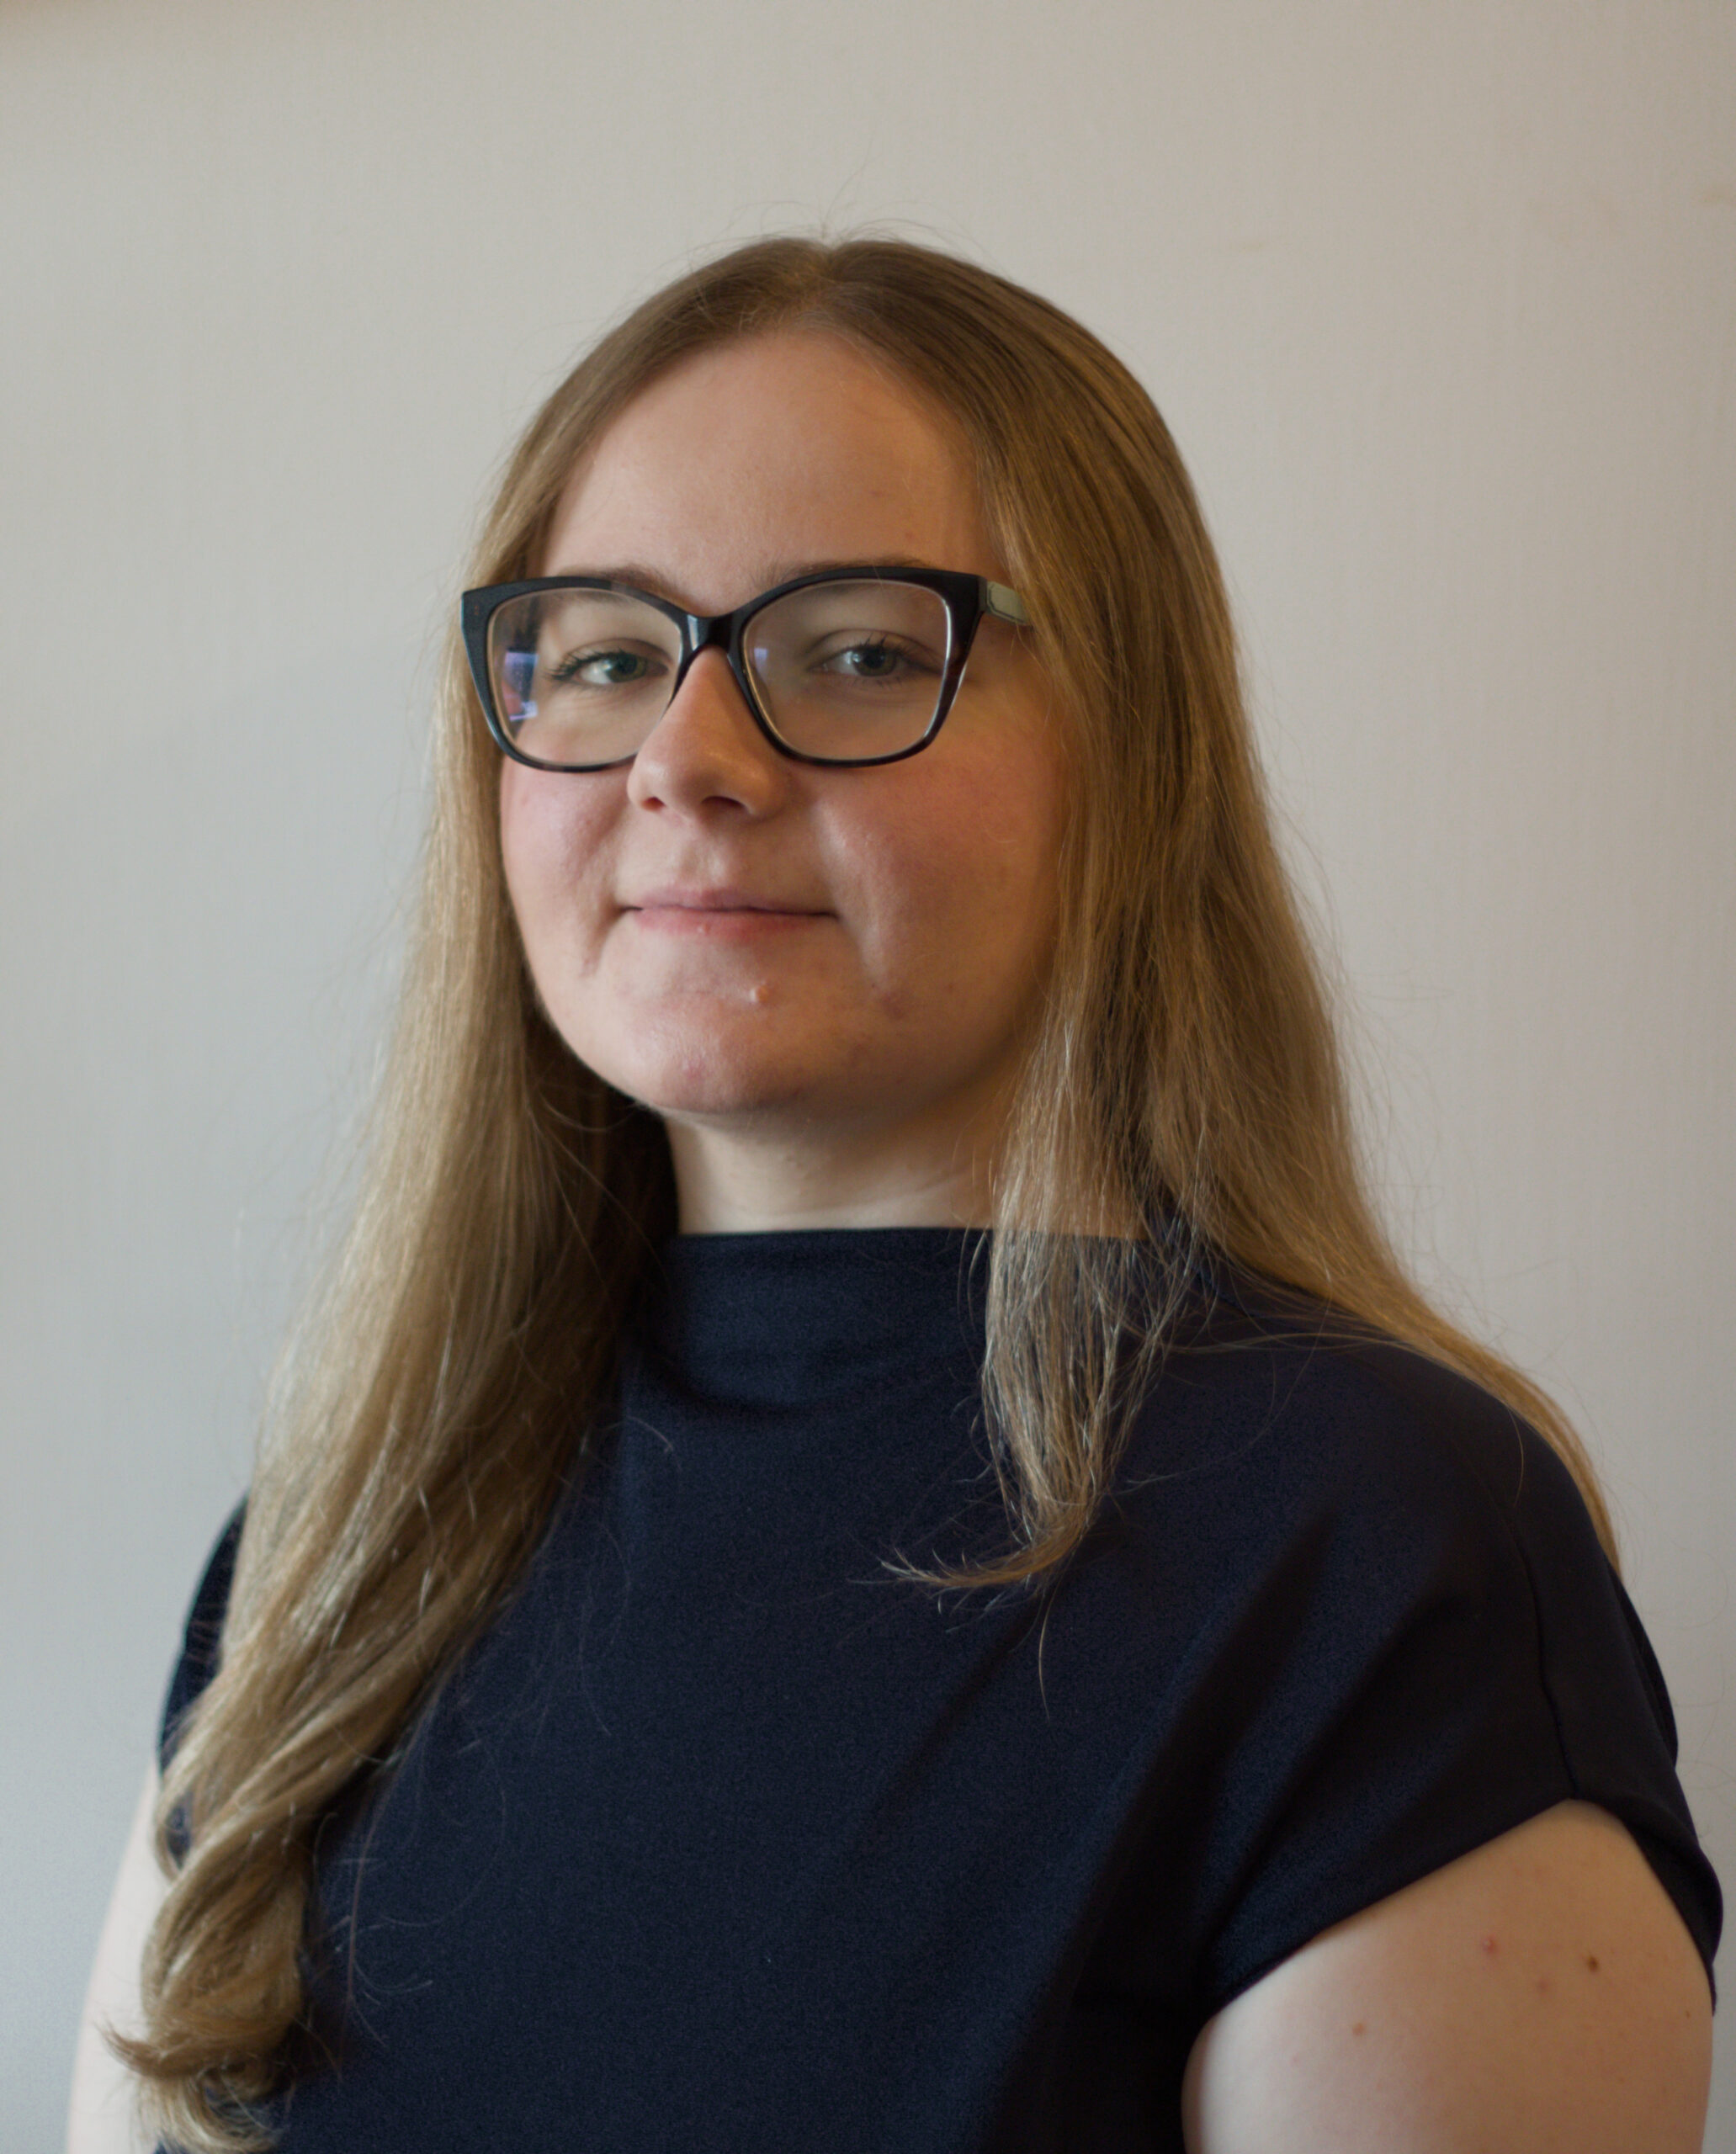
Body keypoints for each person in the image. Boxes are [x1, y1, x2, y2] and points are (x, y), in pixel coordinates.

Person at [69, 236, 1717, 2154]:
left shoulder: (1373, 1551)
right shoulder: (339, 1552)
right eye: (606, 655)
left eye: (856, 651)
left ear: (1135, 752)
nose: (687, 758)